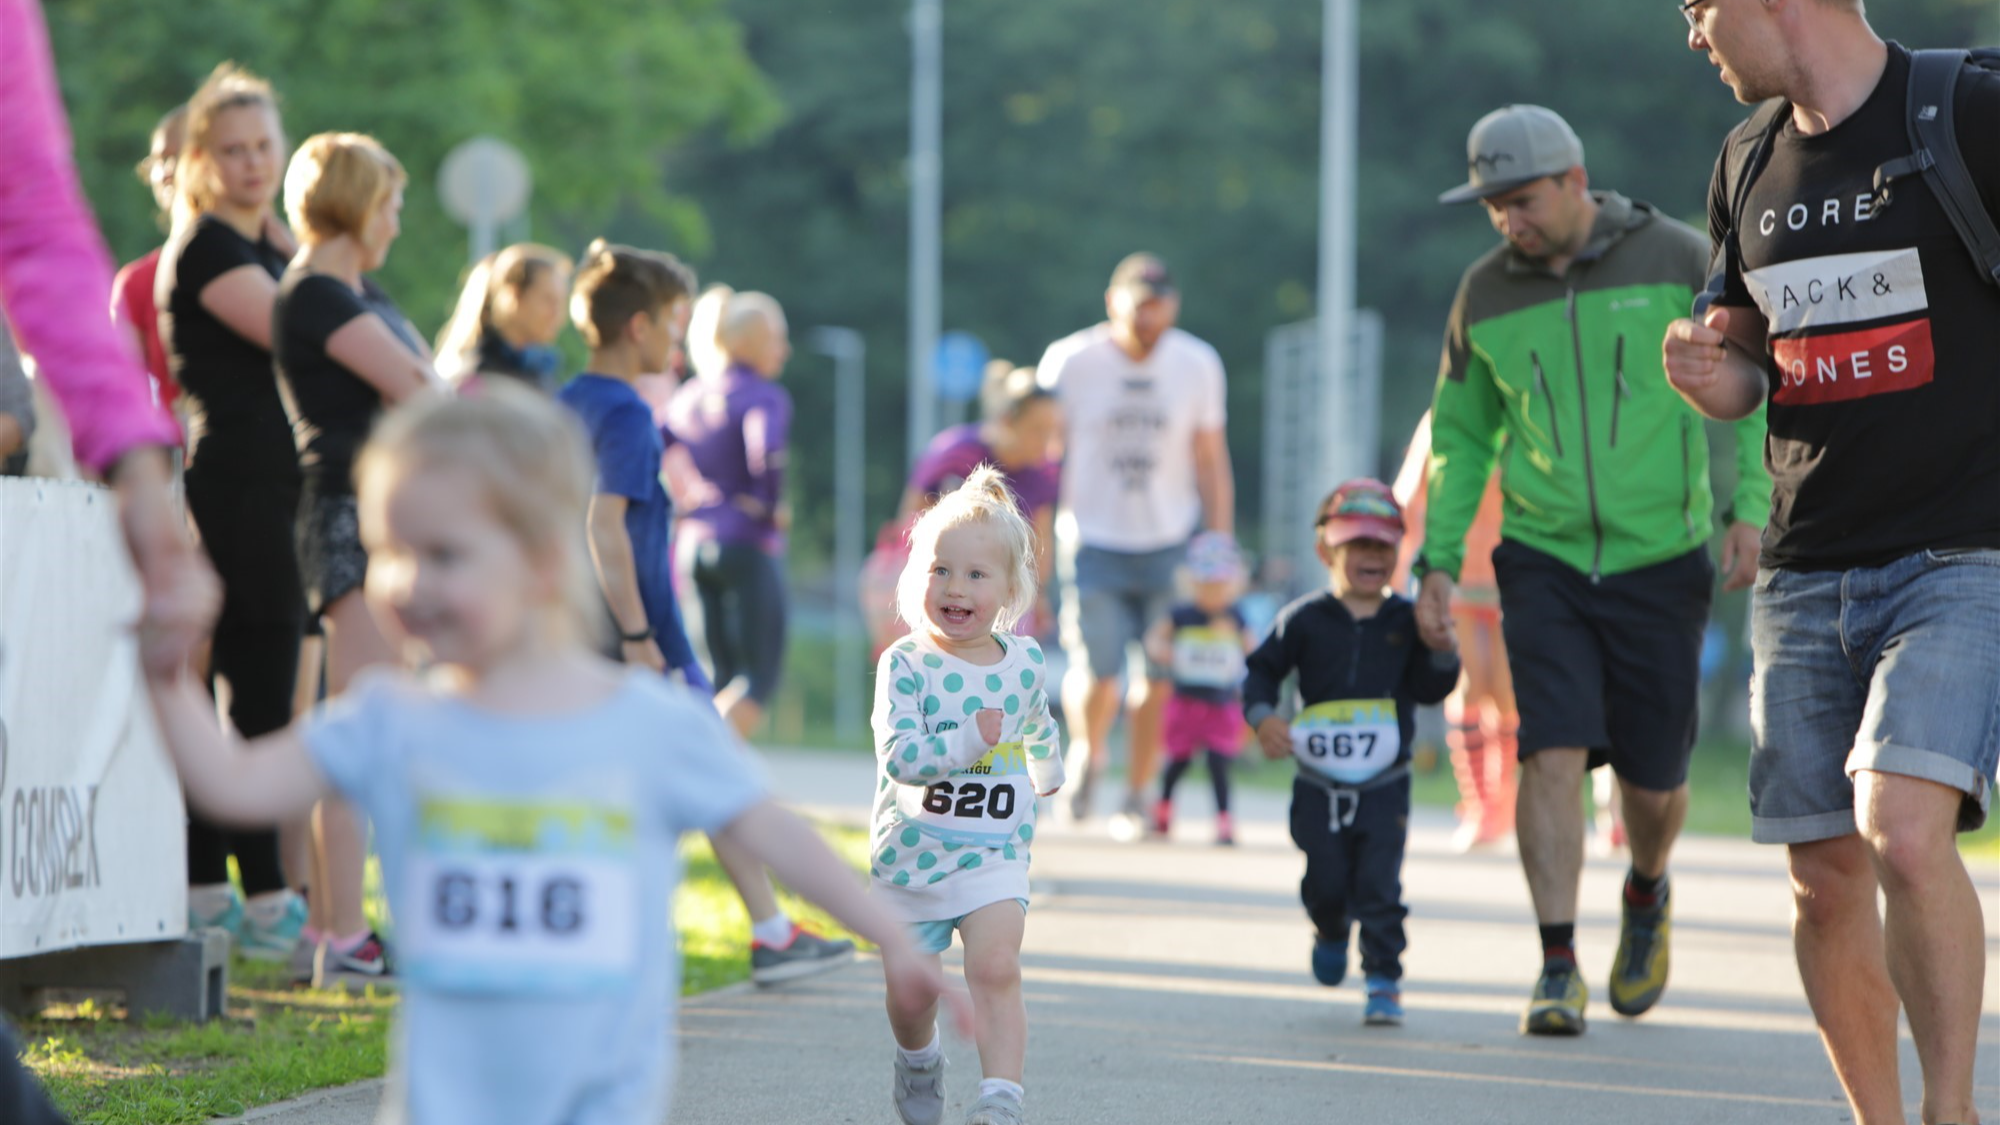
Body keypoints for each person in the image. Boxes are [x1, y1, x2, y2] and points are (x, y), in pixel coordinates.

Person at [140, 383, 966, 1125]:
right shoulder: (389, 720)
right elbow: (233, 783)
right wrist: (169, 674)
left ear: (540, 562)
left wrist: (888, 935)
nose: (404, 582)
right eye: (389, 552)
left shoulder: (648, 721)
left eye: (443, 554)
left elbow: (771, 830)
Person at [1666, 6, 1999, 1122]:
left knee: (1900, 830)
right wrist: (1704, 372)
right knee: (1820, 880)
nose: (1691, 40)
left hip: (1960, 553)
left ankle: (1949, 1110)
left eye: (1695, 10)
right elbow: (1747, 372)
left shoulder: (1964, 113)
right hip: (1802, 568)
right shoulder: (1745, 159)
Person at [1414, 104, 1772, 1037]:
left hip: (1664, 554)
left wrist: (1751, 511)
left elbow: (1761, 379)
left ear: (1574, 181)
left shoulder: (1676, 257)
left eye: (1521, 200)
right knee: (1552, 745)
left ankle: (1647, 890)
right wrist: (1438, 562)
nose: (1507, 221)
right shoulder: (1484, 292)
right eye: (1492, 205)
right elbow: (1459, 438)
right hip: (1545, 555)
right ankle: (1557, 962)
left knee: (1654, 781)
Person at [559, 242, 852, 986]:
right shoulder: (625, 410)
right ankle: (767, 929)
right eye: (671, 323)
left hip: (584, 627)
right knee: (712, 767)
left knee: (649, 774)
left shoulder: (568, 401)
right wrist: (635, 633)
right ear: (636, 327)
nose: (677, 340)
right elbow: (604, 523)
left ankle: (769, 926)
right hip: (643, 631)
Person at [152, 62, 311, 965]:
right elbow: (310, 326)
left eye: (265, 147)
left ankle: (233, 889)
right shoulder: (209, 249)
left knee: (262, 685)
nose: (254, 163)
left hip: (279, 485)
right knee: (254, 691)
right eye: (235, 149)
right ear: (202, 159)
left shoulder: (266, 244)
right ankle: (252, 896)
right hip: (240, 483)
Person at [273, 131, 439, 986]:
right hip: (342, 513)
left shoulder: (349, 291)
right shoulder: (315, 295)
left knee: (374, 723)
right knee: (361, 726)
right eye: (391, 204)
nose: (398, 222)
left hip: (366, 515)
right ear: (359, 204)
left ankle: (341, 924)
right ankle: (340, 931)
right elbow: (419, 384)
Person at [871, 465, 1063, 1125]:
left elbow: (1036, 717)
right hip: (914, 858)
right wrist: (963, 743)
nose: (955, 588)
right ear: (914, 575)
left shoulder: (1025, 661)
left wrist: (1047, 765)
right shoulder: (906, 665)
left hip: (994, 852)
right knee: (909, 994)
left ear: (1011, 588)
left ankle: (1001, 1099)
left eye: (976, 575)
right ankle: (918, 1058)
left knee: (996, 964)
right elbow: (898, 757)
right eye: (939, 570)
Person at [1245, 480, 1460, 1029]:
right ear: (1326, 551)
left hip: (1386, 784)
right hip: (1317, 784)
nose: (1371, 556)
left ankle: (1384, 978)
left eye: (1383, 547)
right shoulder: (1304, 619)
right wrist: (1264, 717)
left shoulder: (1408, 623)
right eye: (1357, 545)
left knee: (1381, 884)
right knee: (1327, 880)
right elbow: (1260, 672)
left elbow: (1432, 689)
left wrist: (1440, 651)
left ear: (1398, 555)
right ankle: (1330, 926)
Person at [1035, 252, 1235, 841]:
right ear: (1112, 304)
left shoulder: (1197, 364)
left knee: (1159, 675)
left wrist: (1218, 543)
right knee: (1097, 673)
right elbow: (1047, 460)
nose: (1149, 322)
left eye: (1160, 310)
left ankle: (1138, 790)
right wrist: (1035, 549)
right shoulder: (1071, 362)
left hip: (1170, 540)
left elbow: (1209, 458)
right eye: (1138, 310)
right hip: (1093, 537)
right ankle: (1089, 756)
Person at [663, 288, 794, 741]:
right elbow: (768, 451)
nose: (785, 349)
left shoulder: (690, 394)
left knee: (714, 676)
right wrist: (770, 504)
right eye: (777, 337)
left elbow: (658, 438)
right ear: (749, 343)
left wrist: (688, 494)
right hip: (746, 541)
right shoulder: (763, 396)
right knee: (758, 678)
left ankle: (702, 786)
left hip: (693, 545)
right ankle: (694, 760)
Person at [1392, 411, 1516, 852]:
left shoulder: (1529, 410)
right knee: (1470, 684)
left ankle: (1506, 802)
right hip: (1456, 572)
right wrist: (1398, 571)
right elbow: (1407, 499)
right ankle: (1480, 804)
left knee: (1508, 697)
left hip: (1512, 575)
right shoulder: (1445, 415)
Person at [1142, 533, 1251, 845]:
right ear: (1192, 582)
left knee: (1220, 764)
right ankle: (1162, 811)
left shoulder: (1235, 617)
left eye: (1220, 585)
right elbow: (1153, 639)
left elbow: (1253, 649)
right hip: (1185, 701)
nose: (1213, 592)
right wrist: (1163, 650)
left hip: (1221, 704)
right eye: (1206, 585)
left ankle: (1224, 822)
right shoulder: (1182, 615)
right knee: (1178, 761)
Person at [110, 104, 188, 418]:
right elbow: (119, 400)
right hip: (174, 461)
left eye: (180, 156)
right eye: (160, 159)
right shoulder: (138, 282)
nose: (168, 171)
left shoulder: (273, 258)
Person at [433, 242, 573, 391]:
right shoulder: (474, 378)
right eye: (548, 300)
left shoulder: (541, 373)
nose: (558, 315)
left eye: (561, 302)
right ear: (514, 296)